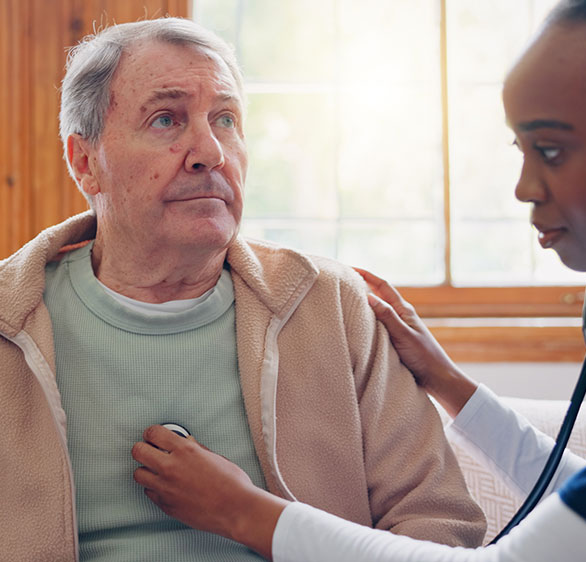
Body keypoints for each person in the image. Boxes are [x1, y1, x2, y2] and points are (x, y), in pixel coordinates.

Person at [129, 1, 586, 560]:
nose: (524, 188)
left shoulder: (328, 305)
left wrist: (244, 511)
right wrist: (447, 383)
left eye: (552, 150)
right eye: (522, 150)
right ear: (83, 160)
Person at [0, 17, 486, 562]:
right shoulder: (9, 322)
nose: (210, 151)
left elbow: (441, 524)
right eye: (166, 120)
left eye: (225, 119)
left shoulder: (332, 305)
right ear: (85, 162)